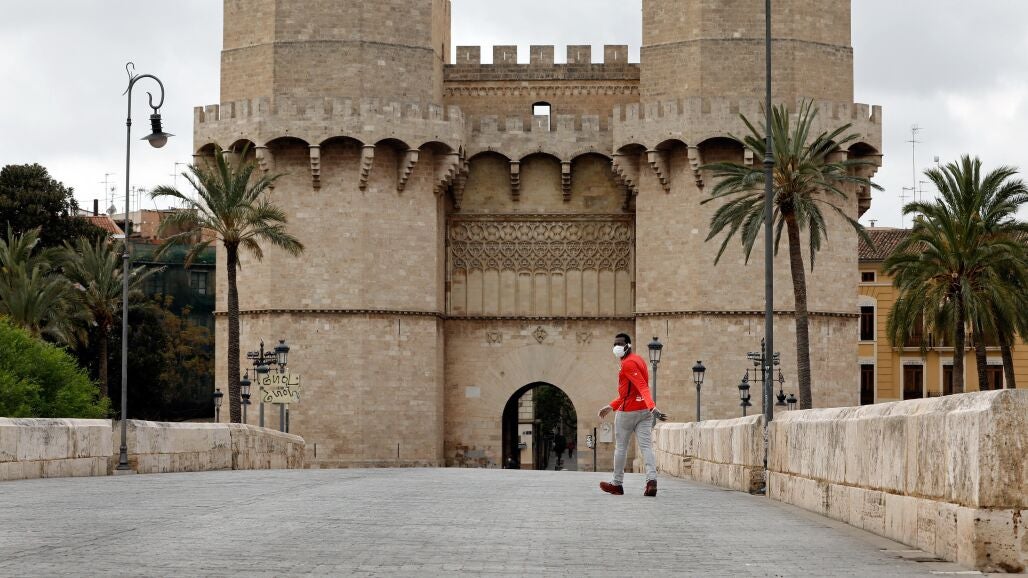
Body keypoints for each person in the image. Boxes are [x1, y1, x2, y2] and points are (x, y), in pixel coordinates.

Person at [597, 332, 663, 497]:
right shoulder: (639, 360)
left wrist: (652, 406)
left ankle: (617, 484)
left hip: (628, 412)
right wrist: (611, 406)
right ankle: (651, 481)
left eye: (620, 344)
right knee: (646, 447)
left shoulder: (627, 364)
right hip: (644, 412)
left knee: (621, 447)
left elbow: (642, 386)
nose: (616, 347)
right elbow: (631, 391)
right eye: (615, 344)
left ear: (628, 345)